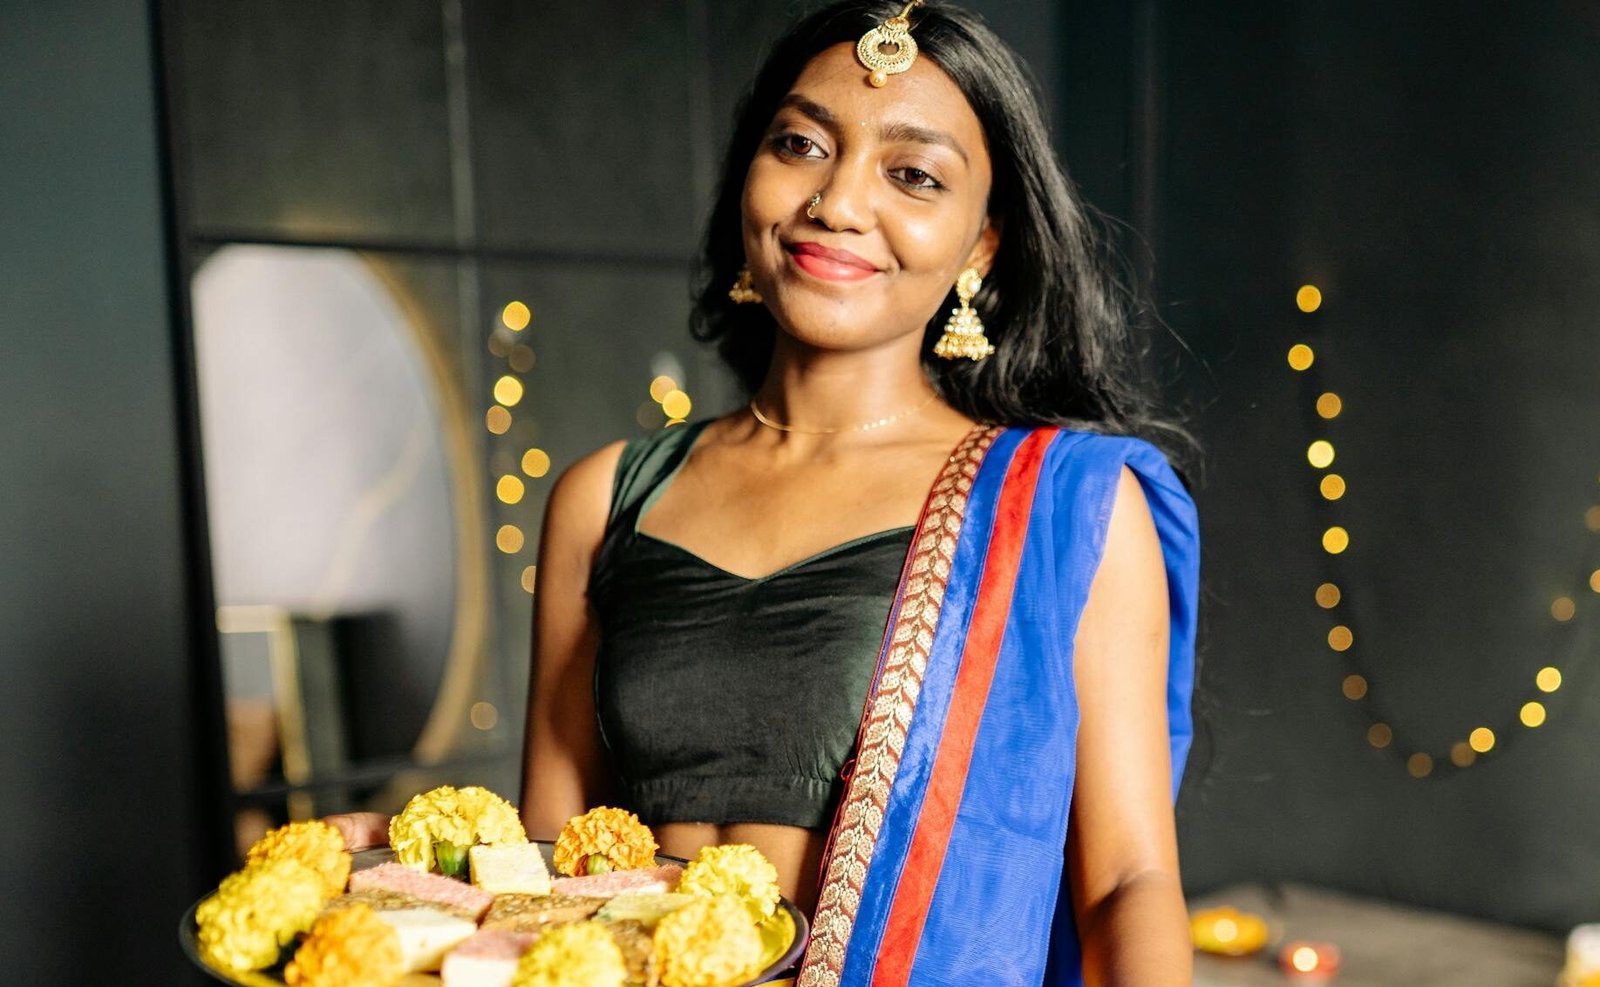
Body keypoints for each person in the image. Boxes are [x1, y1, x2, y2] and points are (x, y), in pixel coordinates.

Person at [335, 3, 1198, 984]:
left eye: (911, 175)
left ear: (981, 247)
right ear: (747, 173)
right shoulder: (608, 497)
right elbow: (553, 865)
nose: (837, 201)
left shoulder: (1058, 509)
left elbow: (1127, 879)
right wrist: (409, 872)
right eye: (800, 145)